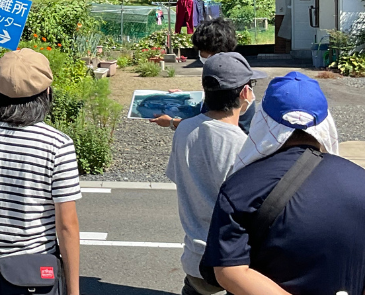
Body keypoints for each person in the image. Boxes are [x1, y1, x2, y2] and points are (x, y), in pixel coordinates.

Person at [201, 72, 365, 295]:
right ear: (326, 124)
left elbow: (230, 272)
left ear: (264, 122)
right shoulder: (359, 180)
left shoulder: (240, 187)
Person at [0, 48, 81, 295]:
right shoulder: (57, 144)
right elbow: (67, 226)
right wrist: (73, 291)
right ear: (46, 93)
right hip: (36, 273)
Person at [166, 52, 264, 295]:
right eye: (251, 85)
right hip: (232, 260)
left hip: (194, 257)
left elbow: (179, 177)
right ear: (244, 93)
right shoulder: (242, 145)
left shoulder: (184, 129)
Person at [151, 18, 258, 134]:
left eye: (201, 50)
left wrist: (172, 122)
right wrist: (186, 97)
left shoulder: (231, 82)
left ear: (210, 51)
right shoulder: (233, 72)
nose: (200, 54)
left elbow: (210, 123)